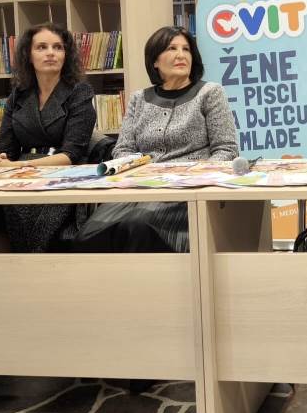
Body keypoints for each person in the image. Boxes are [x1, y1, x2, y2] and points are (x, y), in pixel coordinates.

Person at [75, 25, 238, 254]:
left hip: (186, 191)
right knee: (91, 231)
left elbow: (226, 150)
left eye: (186, 49)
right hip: (140, 188)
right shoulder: (139, 99)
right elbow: (123, 149)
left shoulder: (210, 93)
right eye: (172, 48)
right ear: (155, 61)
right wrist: (142, 173)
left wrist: (193, 175)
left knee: (138, 226)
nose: (181, 55)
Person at [0, 22, 96, 251]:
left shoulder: (80, 92)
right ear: (28, 56)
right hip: (17, 171)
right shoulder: (18, 95)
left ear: (66, 55)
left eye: (58, 47)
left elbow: (71, 155)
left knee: (31, 212)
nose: (51, 53)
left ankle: (31, 264)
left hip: (63, 174)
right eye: (41, 47)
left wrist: (15, 167)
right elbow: (6, 148)